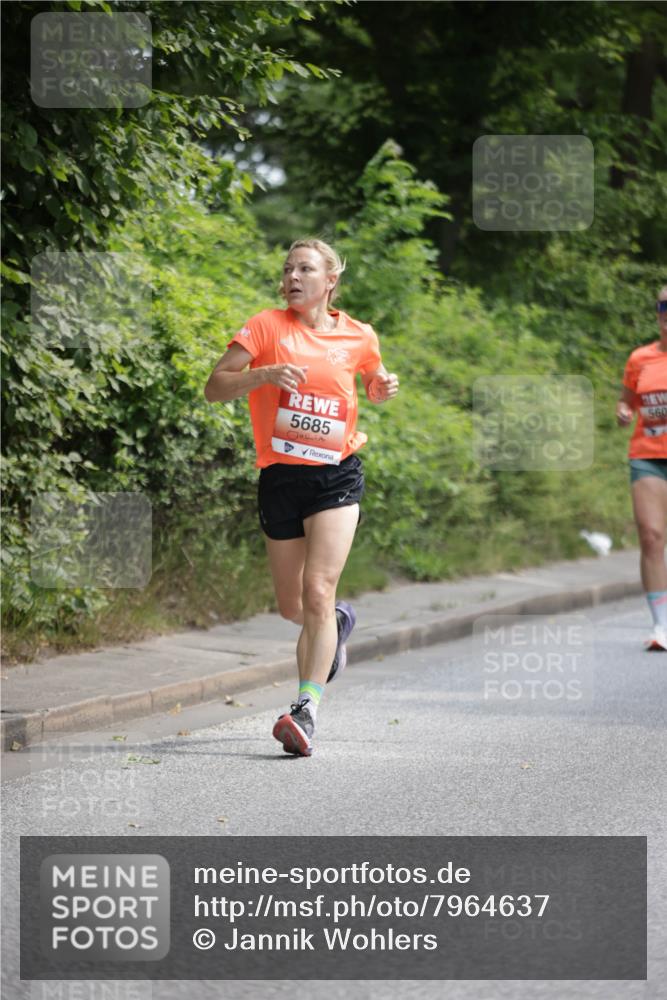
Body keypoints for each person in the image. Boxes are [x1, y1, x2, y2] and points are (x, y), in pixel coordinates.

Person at [204, 238, 399, 754]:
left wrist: (381, 387)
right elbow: (215, 386)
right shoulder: (267, 326)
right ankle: (335, 625)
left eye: (305, 269)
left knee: (318, 588)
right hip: (281, 477)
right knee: (295, 607)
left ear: (329, 280)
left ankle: (305, 708)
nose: (292, 276)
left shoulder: (358, 334)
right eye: (288, 268)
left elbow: (375, 378)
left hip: (336, 475)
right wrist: (263, 374)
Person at [617, 286, 667, 650]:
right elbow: (627, 403)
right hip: (647, 455)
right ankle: (661, 626)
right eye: (664, 306)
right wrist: (623, 413)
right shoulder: (640, 359)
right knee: (651, 536)